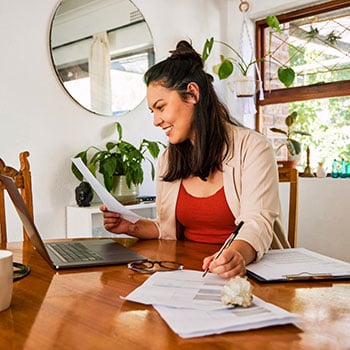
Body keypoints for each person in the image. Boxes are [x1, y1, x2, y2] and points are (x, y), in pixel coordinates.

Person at [101, 40, 289, 279]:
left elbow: (258, 222)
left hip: (247, 274)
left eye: (161, 107)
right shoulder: (169, 159)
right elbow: (167, 228)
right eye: (153, 112)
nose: (156, 121)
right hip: (187, 273)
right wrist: (132, 227)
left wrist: (237, 254)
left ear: (192, 94)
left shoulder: (253, 148)